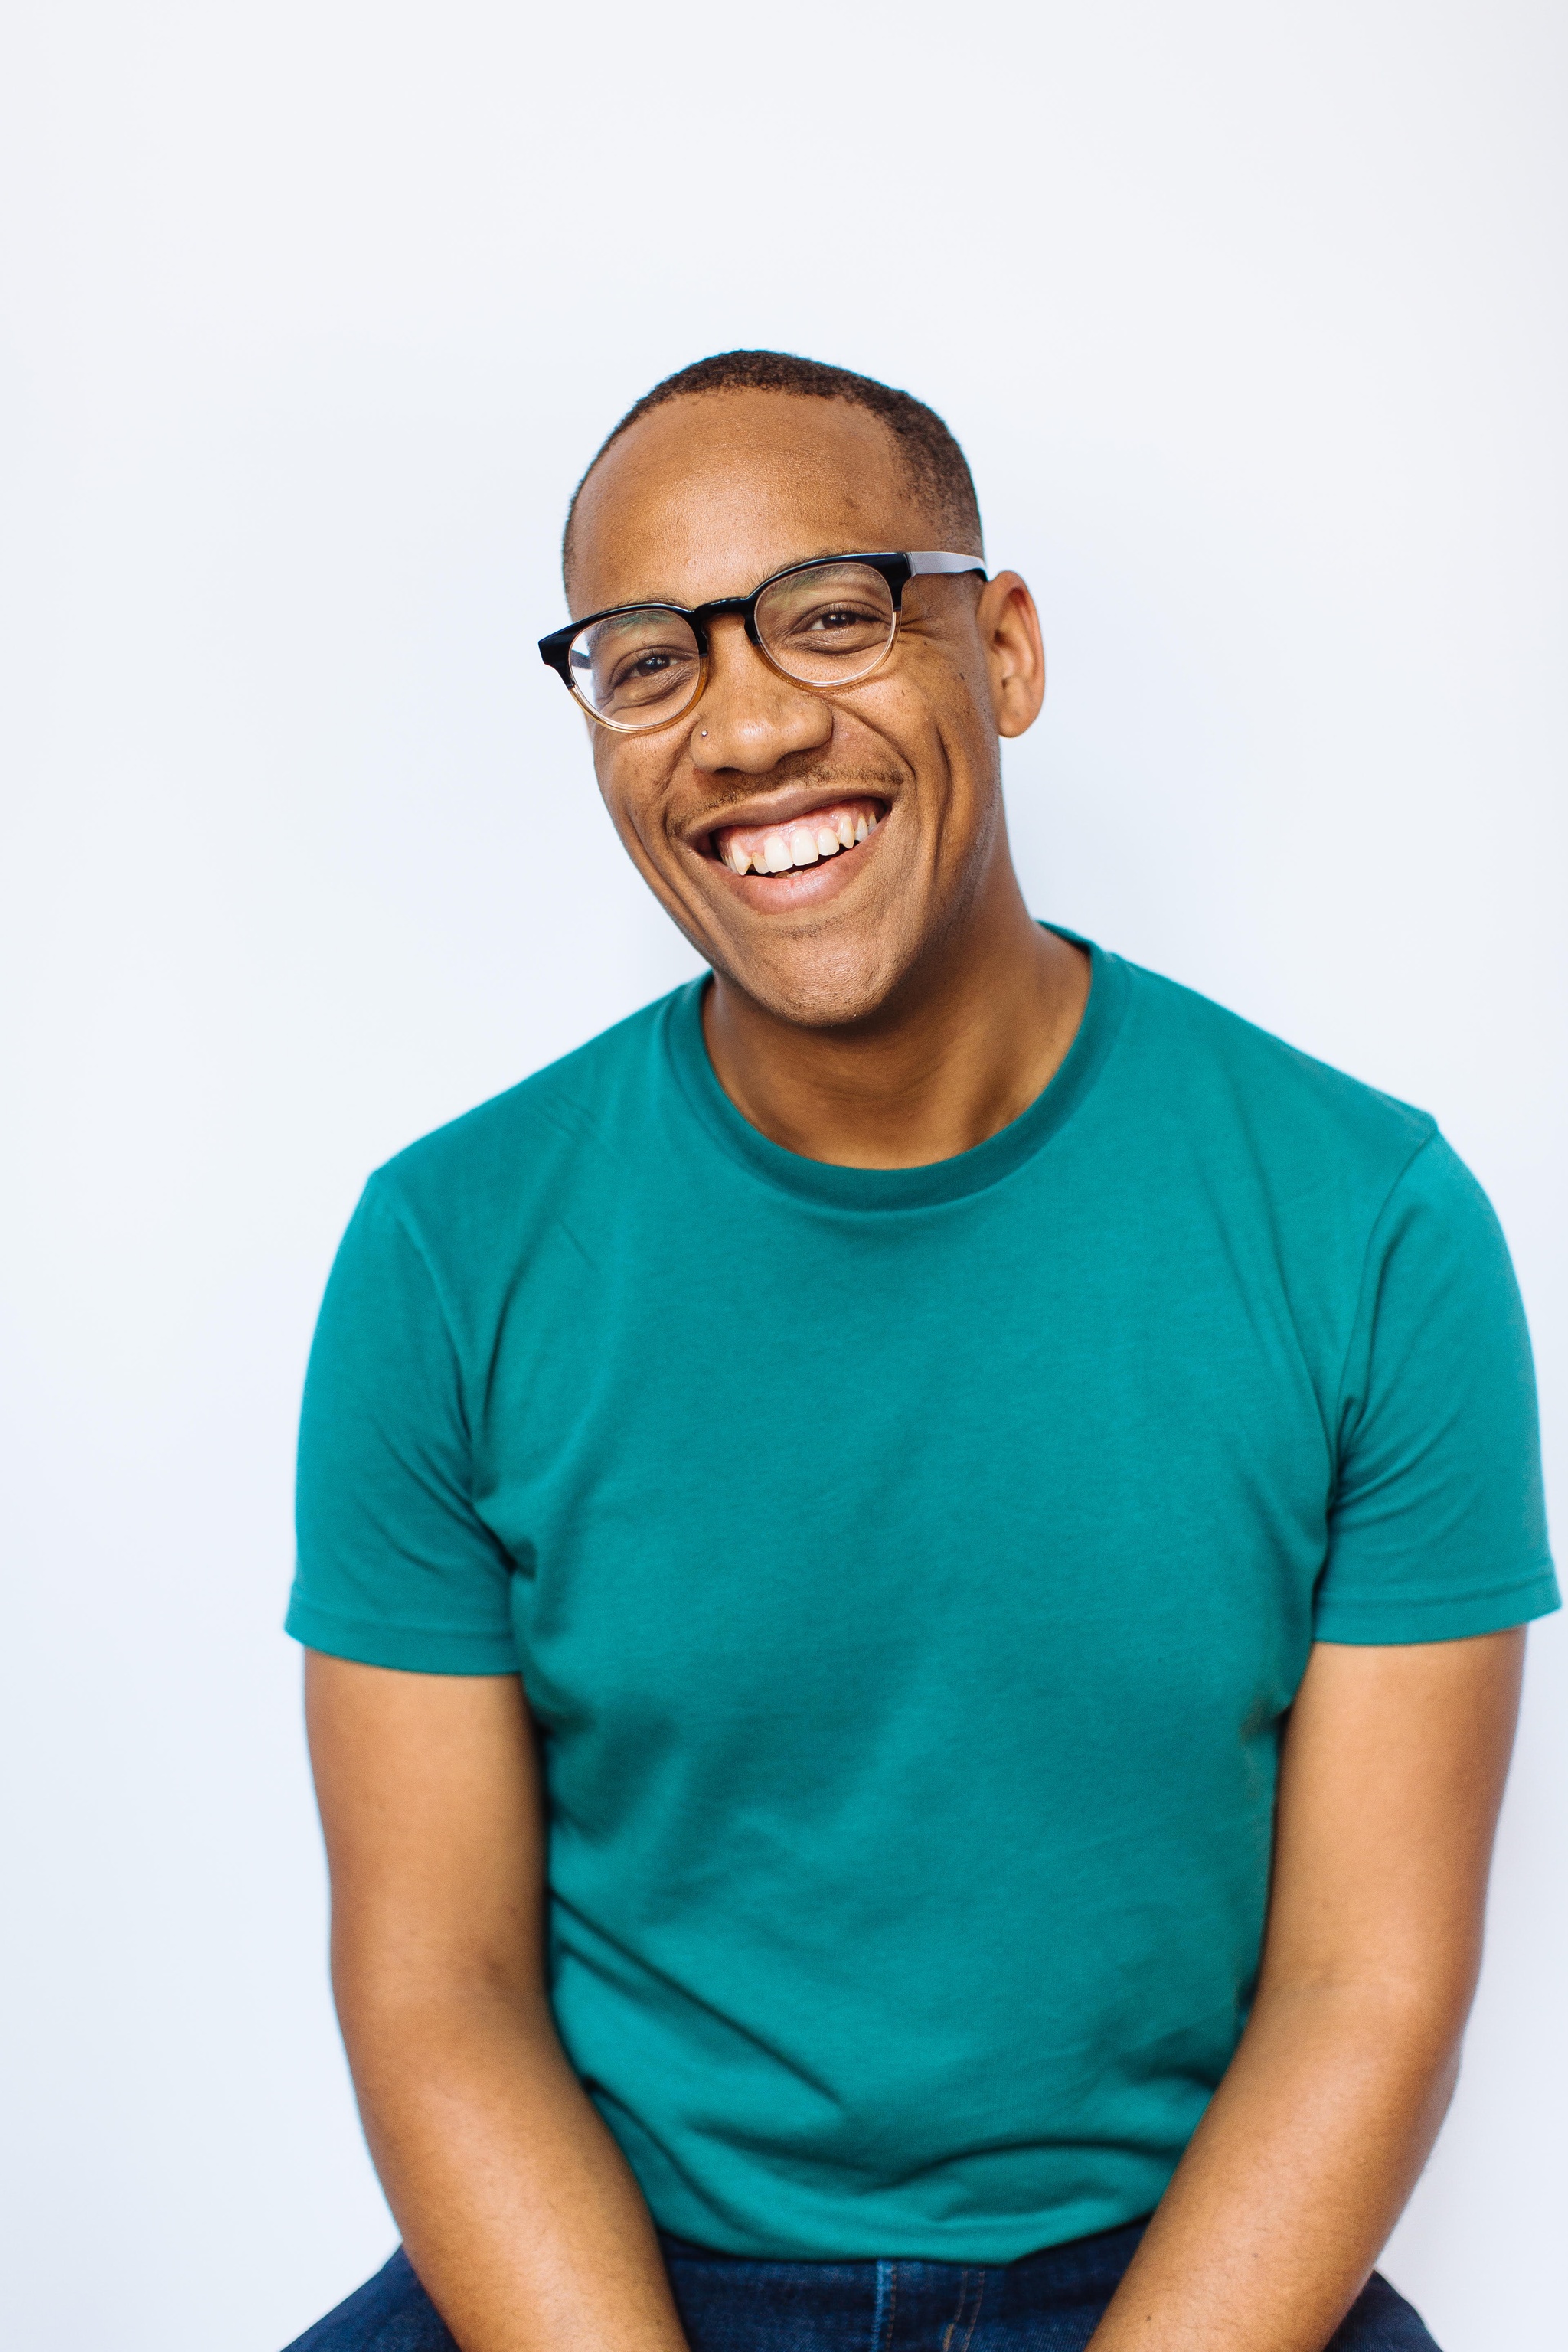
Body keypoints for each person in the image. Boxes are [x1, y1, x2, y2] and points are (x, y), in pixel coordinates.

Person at [283, 351, 1557, 2352]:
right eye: (649, 660)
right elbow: (436, 1988)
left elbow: (1365, 1993)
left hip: (1179, 2282)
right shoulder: (448, 1252)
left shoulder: (1370, 1230)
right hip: (602, 2280)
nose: (754, 725)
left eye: (835, 614)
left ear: (1008, 649)